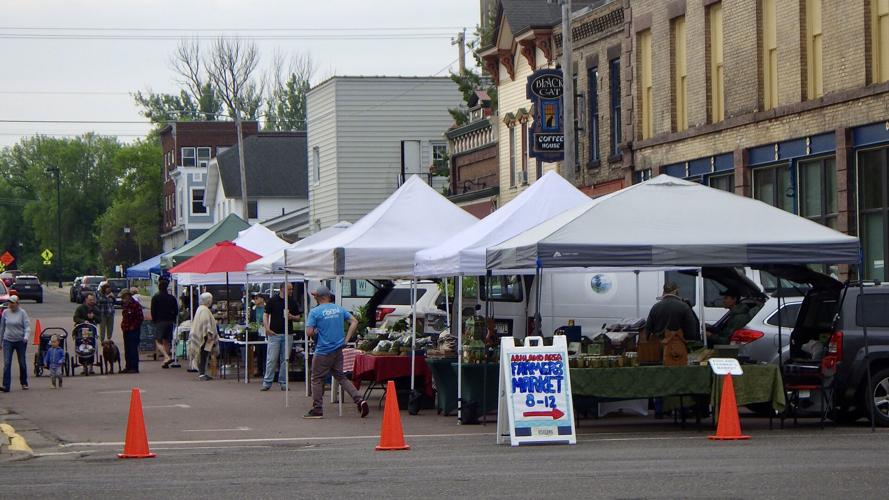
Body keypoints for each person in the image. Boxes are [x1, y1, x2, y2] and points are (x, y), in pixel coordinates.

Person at [303, 285, 368, 419]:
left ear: (319, 297)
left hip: (322, 351)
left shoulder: (315, 312)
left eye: (315, 296)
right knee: (341, 377)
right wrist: (346, 339)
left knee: (316, 379)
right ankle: (359, 400)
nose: (314, 298)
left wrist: (316, 332)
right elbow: (354, 321)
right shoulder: (339, 309)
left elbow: (309, 332)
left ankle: (317, 409)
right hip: (338, 349)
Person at [261, 283, 301, 391]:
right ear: (282, 289)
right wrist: (267, 328)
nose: (291, 291)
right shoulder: (273, 300)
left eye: (291, 289)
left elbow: (298, 316)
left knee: (285, 360)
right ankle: (267, 382)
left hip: (288, 334)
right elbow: (265, 314)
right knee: (272, 358)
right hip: (274, 333)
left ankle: (283, 382)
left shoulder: (292, 302)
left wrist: (292, 317)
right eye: (289, 289)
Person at [0, 295, 30, 392]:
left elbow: (27, 327)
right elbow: (2, 327)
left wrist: (26, 337)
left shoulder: (22, 313)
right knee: (7, 363)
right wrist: (0, 342)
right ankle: (6, 386)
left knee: (22, 362)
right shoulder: (5, 312)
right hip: (8, 340)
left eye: (13, 303)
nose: (11, 305)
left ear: (17, 303)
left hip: (20, 340)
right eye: (9, 303)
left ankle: (24, 382)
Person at [151, 277, 179, 369]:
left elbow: (153, 310)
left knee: (158, 340)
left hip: (159, 321)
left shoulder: (155, 298)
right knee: (167, 340)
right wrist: (173, 318)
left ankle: (166, 357)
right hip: (170, 321)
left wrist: (154, 320)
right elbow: (176, 310)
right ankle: (165, 361)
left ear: (159, 287)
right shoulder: (172, 298)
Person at [191, 292, 218, 381]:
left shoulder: (200, 308)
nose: (211, 301)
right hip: (205, 336)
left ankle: (203, 373)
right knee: (203, 355)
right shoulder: (204, 310)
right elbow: (206, 323)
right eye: (211, 299)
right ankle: (202, 374)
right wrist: (209, 335)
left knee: (203, 355)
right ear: (208, 301)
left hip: (201, 335)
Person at [119, 289, 144, 374]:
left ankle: (134, 367)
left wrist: (133, 326)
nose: (123, 299)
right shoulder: (125, 305)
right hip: (126, 329)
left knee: (133, 348)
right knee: (127, 349)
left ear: (128, 296)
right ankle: (128, 366)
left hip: (133, 330)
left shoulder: (135, 305)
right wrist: (123, 326)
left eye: (124, 297)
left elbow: (140, 318)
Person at [251, 294, 267, 378]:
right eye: (254, 299)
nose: (255, 300)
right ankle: (259, 370)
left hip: (265, 332)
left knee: (265, 351)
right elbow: (251, 320)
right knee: (258, 351)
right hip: (256, 332)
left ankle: (265, 370)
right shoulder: (253, 310)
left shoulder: (266, 308)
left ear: (262, 299)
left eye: (257, 298)